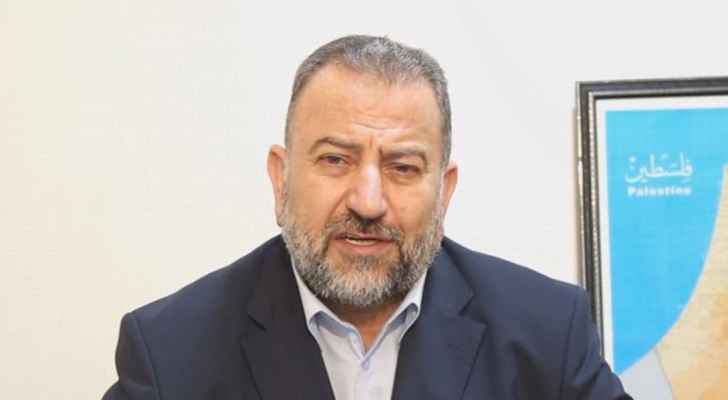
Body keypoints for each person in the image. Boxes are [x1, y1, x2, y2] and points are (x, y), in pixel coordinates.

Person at [103, 35, 631, 400]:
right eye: (336, 160)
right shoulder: (171, 353)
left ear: (444, 192)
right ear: (281, 179)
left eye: (403, 167)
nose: (368, 202)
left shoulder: (547, 334)